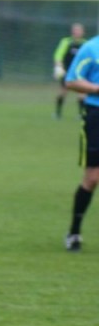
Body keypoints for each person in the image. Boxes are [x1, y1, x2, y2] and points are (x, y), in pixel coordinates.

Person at [62, 32, 99, 251]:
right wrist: (96, 88)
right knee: (93, 178)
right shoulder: (92, 48)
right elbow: (71, 80)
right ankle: (74, 232)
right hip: (96, 116)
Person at [54, 23, 86, 120]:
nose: (77, 32)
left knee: (82, 93)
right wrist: (59, 66)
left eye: (79, 30)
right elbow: (58, 55)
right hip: (67, 71)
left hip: (79, 73)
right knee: (63, 92)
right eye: (75, 30)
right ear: (72, 31)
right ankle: (57, 113)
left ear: (83, 32)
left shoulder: (85, 44)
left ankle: (81, 114)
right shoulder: (66, 42)